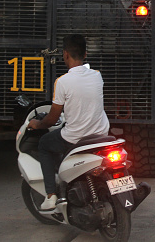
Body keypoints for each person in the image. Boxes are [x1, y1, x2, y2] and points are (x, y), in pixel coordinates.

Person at [27, 34, 110, 210]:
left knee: (44, 144)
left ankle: (50, 195)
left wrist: (38, 124)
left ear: (65, 54)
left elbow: (52, 118)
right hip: (101, 135)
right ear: (85, 54)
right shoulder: (97, 76)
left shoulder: (62, 82)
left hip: (76, 138)